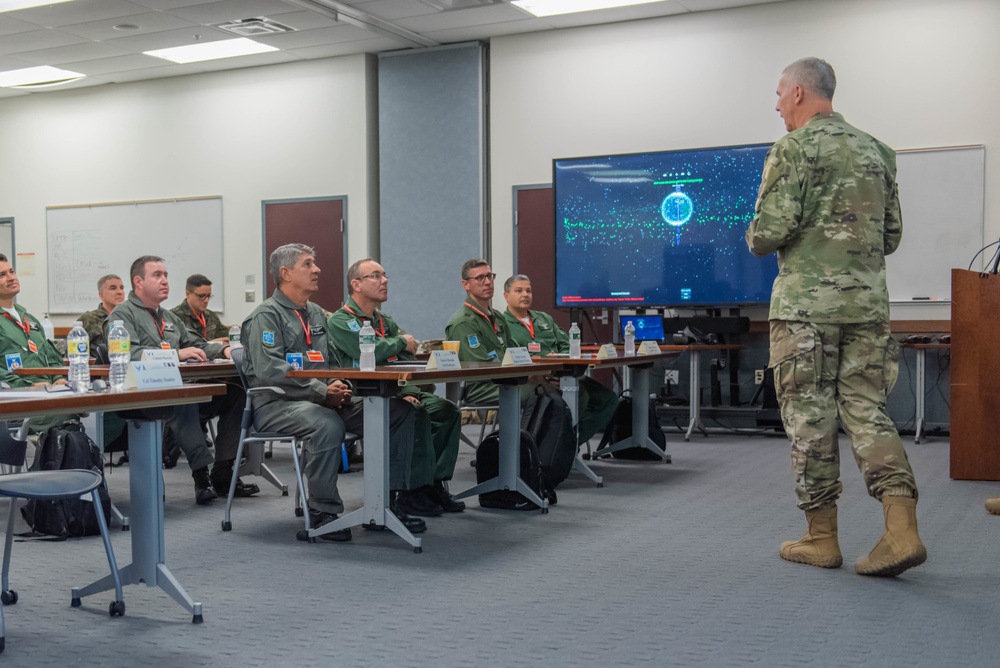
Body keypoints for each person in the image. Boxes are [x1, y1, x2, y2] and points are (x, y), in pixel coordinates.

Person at [746, 57, 926, 577]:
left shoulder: (793, 148)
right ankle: (900, 529)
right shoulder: (878, 150)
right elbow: (890, 236)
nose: (776, 104)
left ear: (800, 93)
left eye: (780, 94)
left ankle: (821, 537)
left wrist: (756, 226)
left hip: (805, 309)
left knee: (809, 418)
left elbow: (766, 235)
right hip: (868, 306)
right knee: (867, 410)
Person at [241, 244, 427, 541]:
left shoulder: (315, 313)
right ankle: (322, 511)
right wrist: (320, 390)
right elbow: (269, 370)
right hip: (277, 403)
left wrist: (340, 384)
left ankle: (389, 502)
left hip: (322, 398)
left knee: (399, 411)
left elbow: (332, 360)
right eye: (308, 264)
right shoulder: (266, 315)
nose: (317, 270)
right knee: (327, 423)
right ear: (286, 274)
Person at [109, 255, 253, 505]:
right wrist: (175, 354)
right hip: (141, 396)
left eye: (166, 275)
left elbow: (196, 343)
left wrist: (224, 350)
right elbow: (126, 354)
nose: (165, 280)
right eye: (157, 275)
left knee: (235, 393)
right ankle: (201, 475)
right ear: (138, 281)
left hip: (175, 391)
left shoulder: (168, 317)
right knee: (183, 396)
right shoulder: (122, 316)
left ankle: (223, 469)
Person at [328, 258, 464, 514]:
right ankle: (408, 492)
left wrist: (410, 390)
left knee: (446, 411)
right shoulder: (340, 321)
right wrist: (399, 342)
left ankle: (432, 484)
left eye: (385, 275)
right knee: (415, 414)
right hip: (359, 397)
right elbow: (367, 350)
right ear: (356, 284)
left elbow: (407, 358)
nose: (385, 280)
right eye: (376, 276)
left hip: (396, 391)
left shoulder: (384, 321)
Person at [501, 274, 617, 445]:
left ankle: (566, 446)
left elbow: (566, 345)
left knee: (607, 399)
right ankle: (556, 448)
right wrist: (540, 369)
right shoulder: (502, 323)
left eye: (528, 290)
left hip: (563, 374)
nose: (525, 295)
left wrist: (558, 359)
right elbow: (507, 355)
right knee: (580, 395)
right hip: (530, 378)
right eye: (518, 291)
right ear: (506, 295)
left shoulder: (544, 319)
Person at [0, 254, 71, 432]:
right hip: (18, 400)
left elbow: (52, 356)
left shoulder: (29, 319)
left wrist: (59, 379)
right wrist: (28, 387)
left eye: (11, 271)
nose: (11, 278)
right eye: (2, 275)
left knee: (85, 411)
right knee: (72, 415)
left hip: (48, 394)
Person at [444, 259, 511, 406]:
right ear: (465, 284)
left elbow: (515, 351)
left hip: (505, 378)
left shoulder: (498, 317)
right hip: (479, 388)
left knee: (547, 391)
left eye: (490, 276)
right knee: (535, 392)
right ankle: (520, 430)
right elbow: (479, 365)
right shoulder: (463, 322)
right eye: (480, 278)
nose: (488, 282)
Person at [171, 274, 229, 343]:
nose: (206, 301)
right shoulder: (174, 317)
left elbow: (227, 337)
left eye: (208, 296)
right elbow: (176, 346)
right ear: (188, 294)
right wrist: (211, 344)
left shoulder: (211, 316)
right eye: (201, 296)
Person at [80, 274, 125, 349]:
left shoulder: (128, 317)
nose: (119, 292)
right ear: (101, 295)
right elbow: (74, 349)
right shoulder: (90, 318)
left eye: (121, 288)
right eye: (113, 288)